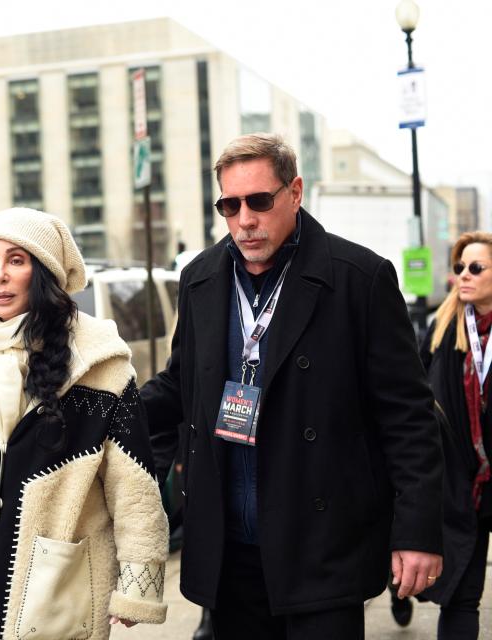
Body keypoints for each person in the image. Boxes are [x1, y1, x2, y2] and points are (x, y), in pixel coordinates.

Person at [140, 133, 444, 640]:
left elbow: (408, 417)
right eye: (229, 205)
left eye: (259, 201)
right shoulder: (200, 279)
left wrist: (416, 532)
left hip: (321, 547)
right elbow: (178, 386)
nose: (245, 219)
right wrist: (101, 407)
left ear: (295, 192)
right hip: (229, 553)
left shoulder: (359, 279)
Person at [0, 207, 169, 640]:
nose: (0, 275)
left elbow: (134, 485)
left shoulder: (100, 363)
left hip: (57, 592)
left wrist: (139, 581)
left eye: (16, 260)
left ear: (44, 272)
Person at [418, 231, 492, 639]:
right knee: (461, 594)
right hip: (460, 482)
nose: (463, 275)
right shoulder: (443, 329)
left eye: (475, 267)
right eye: (459, 267)